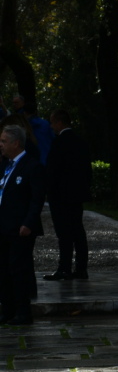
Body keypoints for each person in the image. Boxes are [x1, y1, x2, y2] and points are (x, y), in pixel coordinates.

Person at [0, 124, 45, 325]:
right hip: (3, 226)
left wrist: (29, 222)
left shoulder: (32, 166)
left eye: (3, 141)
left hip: (20, 228)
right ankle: (7, 309)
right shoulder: (5, 165)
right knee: (4, 269)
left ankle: (23, 311)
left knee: (19, 269)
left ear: (16, 143)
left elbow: (37, 199)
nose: (0, 145)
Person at [43, 109, 92, 281]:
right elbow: (87, 171)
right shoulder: (81, 142)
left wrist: (49, 191)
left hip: (61, 196)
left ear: (59, 122)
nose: (51, 126)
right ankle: (81, 268)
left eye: (52, 122)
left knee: (64, 233)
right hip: (76, 196)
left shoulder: (59, 143)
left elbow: (52, 171)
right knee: (78, 231)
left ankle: (64, 267)